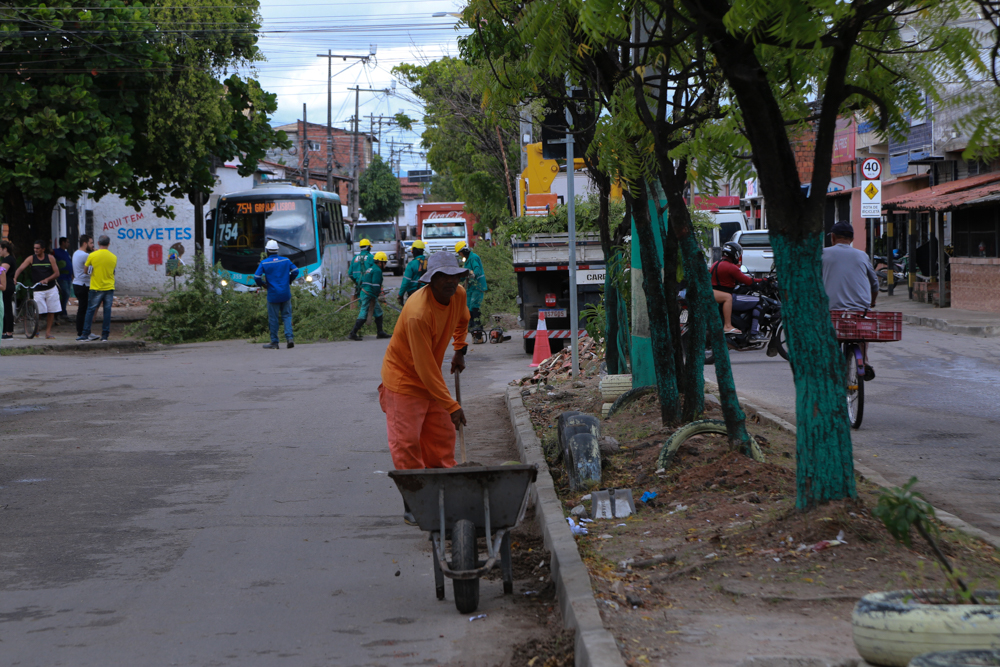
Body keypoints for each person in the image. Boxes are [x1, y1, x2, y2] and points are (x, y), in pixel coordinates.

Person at [379, 252, 469, 523]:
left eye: (454, 276)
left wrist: (460, 349)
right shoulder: (418, 313)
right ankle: (415, 500)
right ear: (431, 280)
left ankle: (442, 495)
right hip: (404, 380)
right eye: (442, 277)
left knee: (441, 439)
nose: (450, 282)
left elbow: (463, 319)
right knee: (407, 443)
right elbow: (424, 368)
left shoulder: (459, 294)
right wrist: (451, 405)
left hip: (430, 377)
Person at [823, 220, 879, 380]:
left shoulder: (822, 254)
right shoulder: (862, 255)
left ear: (832, 237)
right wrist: (872, 302)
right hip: (859, 308)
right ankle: (865, 361)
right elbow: (874, 283)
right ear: (852, 238)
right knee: (861, 329)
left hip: (830, 309)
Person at [710, 241, 769, 342]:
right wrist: (765, 280)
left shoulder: (715, 264)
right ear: (735, 254)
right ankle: (754, 333)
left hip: (715, 294)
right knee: (760, 301)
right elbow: (749, 281)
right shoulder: (731, 267)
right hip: (727, 296)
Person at [254, 239, 299, 350]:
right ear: (277, 250)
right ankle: (289, 339)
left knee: (273, 319)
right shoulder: (286, 260)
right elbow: (296, 271)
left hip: (273, 295)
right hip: (285, 293)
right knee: (287, 316)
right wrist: (289, 281)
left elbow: (257, 277)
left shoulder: (264, 263)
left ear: (267, 251)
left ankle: (275, 342)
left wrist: (263, 285)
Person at [14, 240, 61, 339]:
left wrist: (47, 279)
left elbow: (56, 273)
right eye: (34, 248)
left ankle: (48, 333)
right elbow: (20, 268)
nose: (35, 250)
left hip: (51, 288)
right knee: (38, 311)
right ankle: (36, 329)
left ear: (43, 249)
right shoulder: (31, 258)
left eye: (37, 248)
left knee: (51, 311)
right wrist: (15, 278)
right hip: (38, 289)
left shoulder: (50, 258)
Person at [77, 235, 117, 342]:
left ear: (98, 243)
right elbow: (113, 271)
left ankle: (85, 334)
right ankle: (105, 336)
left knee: (90, 310)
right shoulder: (113, 257)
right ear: (109, 244)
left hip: (95, 287)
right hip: (109, 287)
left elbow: (86, 271)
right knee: (107, 312)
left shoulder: (92, 255)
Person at [349, 251, 391, 341]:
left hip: (368, 293)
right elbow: (375, 285)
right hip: (368, 295)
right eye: (385, 262)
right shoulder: (377, 270)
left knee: (379, 312)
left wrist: (377, 294)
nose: (385, 265)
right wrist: (379, 295)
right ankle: (353, 333)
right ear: (380, 262)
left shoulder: (371, 269)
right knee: (363, 312)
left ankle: (380, 332)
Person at [455, 240, 487, 331]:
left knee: (475, 305)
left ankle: (478, 325)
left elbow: (476, 269)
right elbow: (465, 272)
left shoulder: (473, 258)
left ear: (463, 251)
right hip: (471, 286)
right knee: (468, 305)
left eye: (459, 253)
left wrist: (473, 274)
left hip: (478, 285)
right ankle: (471, 324)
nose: (460, 255)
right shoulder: (467, 259)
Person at [72, 235, 95, 337]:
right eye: (91, 243)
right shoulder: (84, 255)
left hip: (77, 283)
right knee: (84, 309)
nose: (92, 245)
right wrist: (98, 251)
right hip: (83, 285)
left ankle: (83, 331)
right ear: (85, 243)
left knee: (82, 308)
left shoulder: (76, 253)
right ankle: (83, 332)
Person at [397, 240, 428, 304]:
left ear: (414, 251)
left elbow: (406, 282)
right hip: (427, 293)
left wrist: (400, 294)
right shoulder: (429, 262)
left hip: (414, 294)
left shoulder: (411, 264)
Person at [349, 238, 374, 308]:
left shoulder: (355, 258)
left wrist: (356, 280)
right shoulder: (371, 257)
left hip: (359, 286)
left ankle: (360, 317)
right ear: (368, 247)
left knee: (360, 304)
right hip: (369, 287)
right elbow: (375, 272)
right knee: (370, 305)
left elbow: (350, 273)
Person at [53, 237, 73, 321]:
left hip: (68, 277)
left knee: (67, 294)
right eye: (67, 242)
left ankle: (62, 311)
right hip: (62, 277)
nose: (68, 244)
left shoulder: (66, 253)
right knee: (65, 293)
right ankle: (61, 312)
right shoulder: (56, 251)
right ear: (63, 242)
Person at [1, 240, 15, 339]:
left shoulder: (8, 260)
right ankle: (5, 330)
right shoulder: (9, 259)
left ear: (5, 249)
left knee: (6, 308)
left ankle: (8, 331)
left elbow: (2, 272)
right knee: (5, 307)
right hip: (8, 284)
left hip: (7, 284)